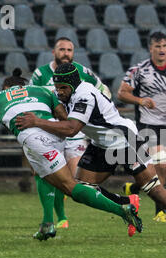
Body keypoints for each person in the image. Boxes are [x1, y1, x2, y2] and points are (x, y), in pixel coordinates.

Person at [16, 63, 166, 243]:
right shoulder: (66, 93)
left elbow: (72, 129)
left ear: (73, 84)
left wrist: (37, 122)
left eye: (63, 88)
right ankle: (127, 202)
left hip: (124, 140)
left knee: (154, 190)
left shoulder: (85, 95)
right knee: (82, 188)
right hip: (101, 143)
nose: (59, 92)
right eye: (57, 88)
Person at [0, 69, 141, 241]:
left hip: (35, 137)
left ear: (5, 87)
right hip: (57, 132)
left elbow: (11, 126)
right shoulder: (41, 91)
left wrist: (35, 125)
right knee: (45, 175)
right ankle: (47, 223)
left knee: (71, 186)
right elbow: (63, 116)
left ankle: (123, 207)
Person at [29, 37, 111, 230]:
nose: (66, 53)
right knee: (49, 174)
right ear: (54, 52)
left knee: (76, 180)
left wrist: (93, 117)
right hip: (49, 131)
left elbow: (104, 91)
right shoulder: (41, 74)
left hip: (74, 131)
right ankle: (57, 218)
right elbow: (32, 96)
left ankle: (123, 201)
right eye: (62, 49)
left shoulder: (82, 72)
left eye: (69, 50)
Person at [116, 31, 166, 223]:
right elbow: (122, 93)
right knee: (160, 165)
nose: (161, 49)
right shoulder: (138, 70)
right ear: (151, 49)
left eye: (164, 46)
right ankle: (160, 212)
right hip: (147, 124)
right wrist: (140, 100)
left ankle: (134, 188)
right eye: (157, 46)